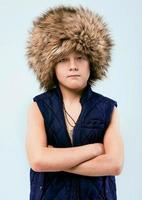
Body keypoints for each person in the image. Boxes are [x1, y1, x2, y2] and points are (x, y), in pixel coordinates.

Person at [25, 5, 124, 200]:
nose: (72, 66)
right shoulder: (39, 106)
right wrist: (95, 149)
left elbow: (114, 164)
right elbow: (38, 160)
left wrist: (55, 160)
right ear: (51, 66)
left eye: (80, 58)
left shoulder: (107, 108)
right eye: (63, 59)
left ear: (92, 62)